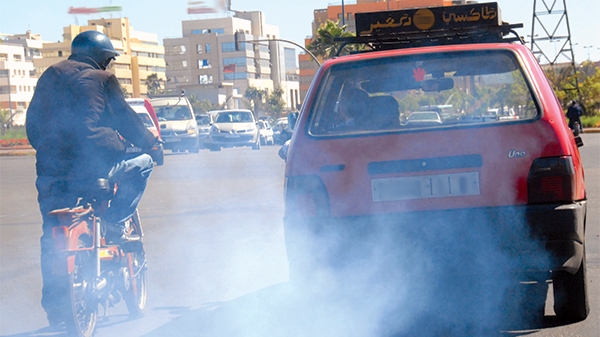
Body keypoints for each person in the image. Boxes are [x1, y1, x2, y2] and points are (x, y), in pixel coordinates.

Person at [26, 30, 157, 327]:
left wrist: (52, 153)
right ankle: (113, 221)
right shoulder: (103, 80)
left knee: (53, 237)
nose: (109, 66)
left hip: (51, 174)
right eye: (108, 59)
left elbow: (32, 125)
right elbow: (125, 117)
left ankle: (58, 312)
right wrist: (151, 143)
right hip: (93, 170)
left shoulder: (50, 76)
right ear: (99, 57)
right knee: (144, 164)